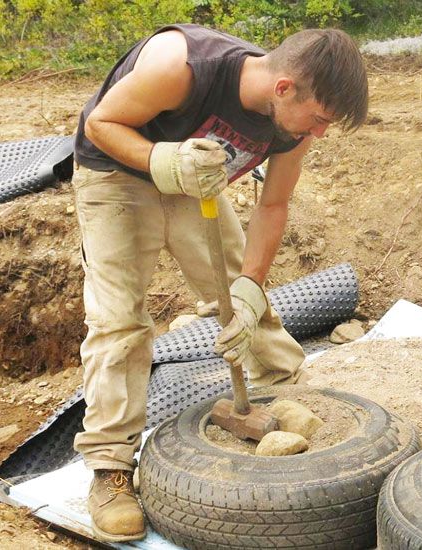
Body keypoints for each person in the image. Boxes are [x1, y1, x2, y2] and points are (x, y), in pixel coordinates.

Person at [69, 24, 368, 541]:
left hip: (194, 188)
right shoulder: (181, 66)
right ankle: (111, 470)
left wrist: (250, 288)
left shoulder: (291, 127)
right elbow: (101, 124)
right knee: (119, 323)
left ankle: (287, 397)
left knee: (242, 300)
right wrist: (163, 159)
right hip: (116, 176)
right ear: (283, 88)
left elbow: (273, 205)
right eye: (319, 119)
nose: (320, 133)